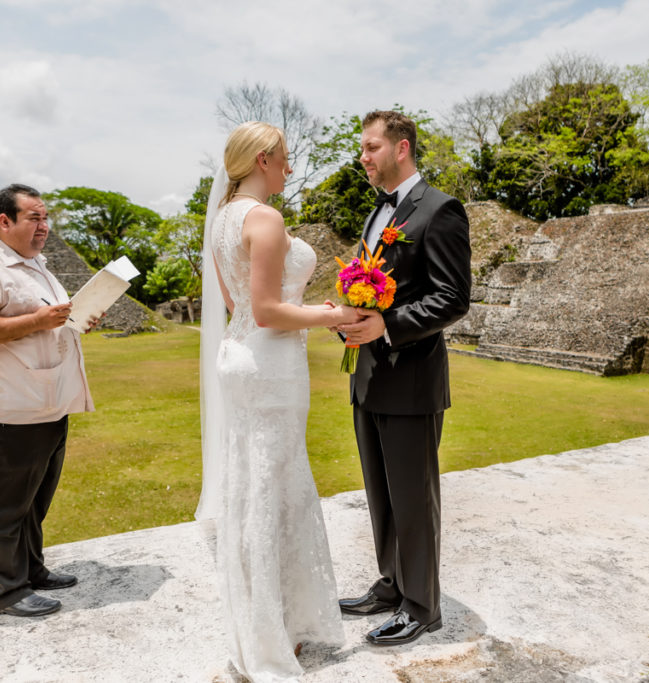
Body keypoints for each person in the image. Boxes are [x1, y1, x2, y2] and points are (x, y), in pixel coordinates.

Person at [197, 122, 363, 681]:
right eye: (286, 159)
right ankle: (272, 633)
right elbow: (267, 309)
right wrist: (333, 315)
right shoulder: (264, 218)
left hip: (240, 356)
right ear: (264, 159)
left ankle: (262, 620)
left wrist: (301, 307)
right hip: (270, 363)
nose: (290, 169)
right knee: (275, 491)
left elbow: (236, 301)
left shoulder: (224, 218)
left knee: (252, 486)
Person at [336, 110, 472, 646]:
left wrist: (386, 327)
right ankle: (392, 585)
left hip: (412, 380)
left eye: (371, 147)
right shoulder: (376, 214)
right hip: (369, 377)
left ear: (402, 148)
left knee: (414, 498)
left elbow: (452, 298)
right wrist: (351, 319)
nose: (363, 157)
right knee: (382, 493)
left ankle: (422, 605)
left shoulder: (440, 210)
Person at [0, 183, 100, 617]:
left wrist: (78, 318)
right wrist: (38, 320)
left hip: (49, 399)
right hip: (12, 406)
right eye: (34, 218)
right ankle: (7, 592)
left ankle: (31, 569)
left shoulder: (37, 267)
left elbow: (49, 324)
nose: (44, 227)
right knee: (7, 502)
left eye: (46, 218)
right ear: (4, 221)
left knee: (35, 499)